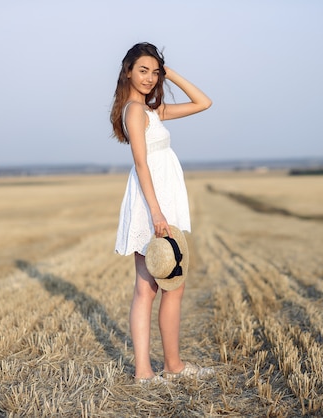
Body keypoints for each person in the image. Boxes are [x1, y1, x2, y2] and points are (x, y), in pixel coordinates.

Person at [110, 42, 213, 384]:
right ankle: (145, 371)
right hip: (151, 203)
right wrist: (156, 214)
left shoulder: (153, 111)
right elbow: (141, 164)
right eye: (143, 70)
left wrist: (170, 73)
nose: (150, 78)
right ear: (127, 70)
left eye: (155, 72)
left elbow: (204, 102)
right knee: (147, 289)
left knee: (172, 285)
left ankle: (172, 365)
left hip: (164, 199)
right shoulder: (135, 111)